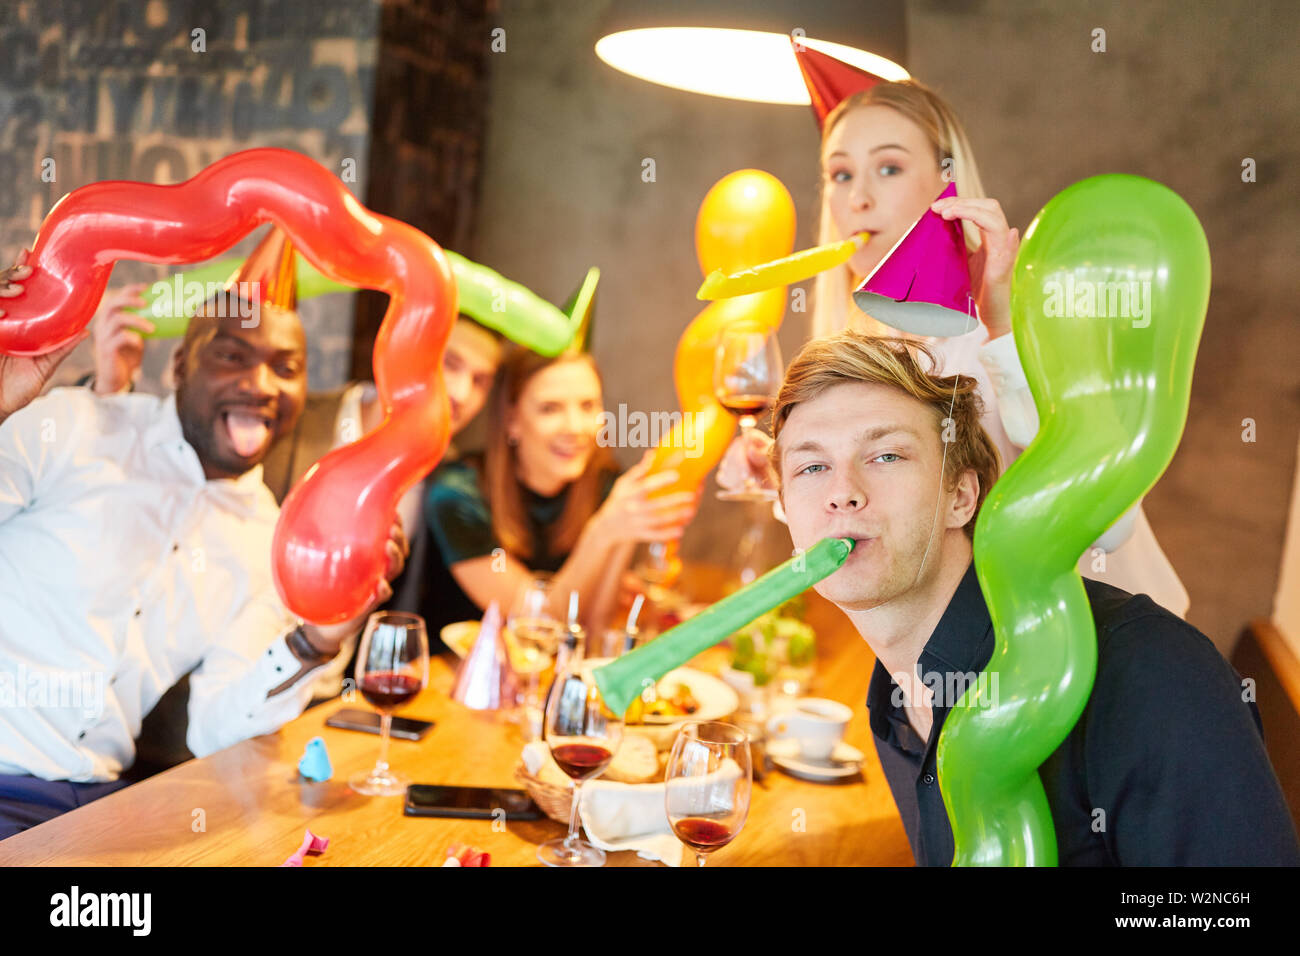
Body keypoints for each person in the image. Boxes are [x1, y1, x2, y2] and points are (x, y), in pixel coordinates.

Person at [767, 330, 1300, 865]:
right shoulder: (895, 704)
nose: (843, 492)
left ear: (961, 497)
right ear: (786, 509)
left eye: (886, 455)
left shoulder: (1148, 671)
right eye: (812, 467)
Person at [720, 72, 1189, 617]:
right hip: (972, 652)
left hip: (1115, 649)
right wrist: (786, 471)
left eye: (889, 168)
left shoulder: (1024, 314)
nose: (859, 199)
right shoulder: (863, 340)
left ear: (946, 186)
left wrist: (1007, 333)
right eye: (840, 175)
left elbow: (1109, 521)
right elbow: (889, 517)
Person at [0, 238, 406, 840]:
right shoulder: (75, 426)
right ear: (180, 367)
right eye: (233, 356)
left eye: (285, 367)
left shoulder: (275, 542)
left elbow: (214, 729)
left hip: (92, 811)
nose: (261, 383)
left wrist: (317, 639)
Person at [424, 345, 700, 638]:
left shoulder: (606, 485)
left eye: (588, 406)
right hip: (451, 676)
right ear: (512, 420)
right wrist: (603, 532)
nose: (575, 427)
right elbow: (539, 623)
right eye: (550, 408)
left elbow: (594, 628)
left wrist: (624, 532)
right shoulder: (457, 495)